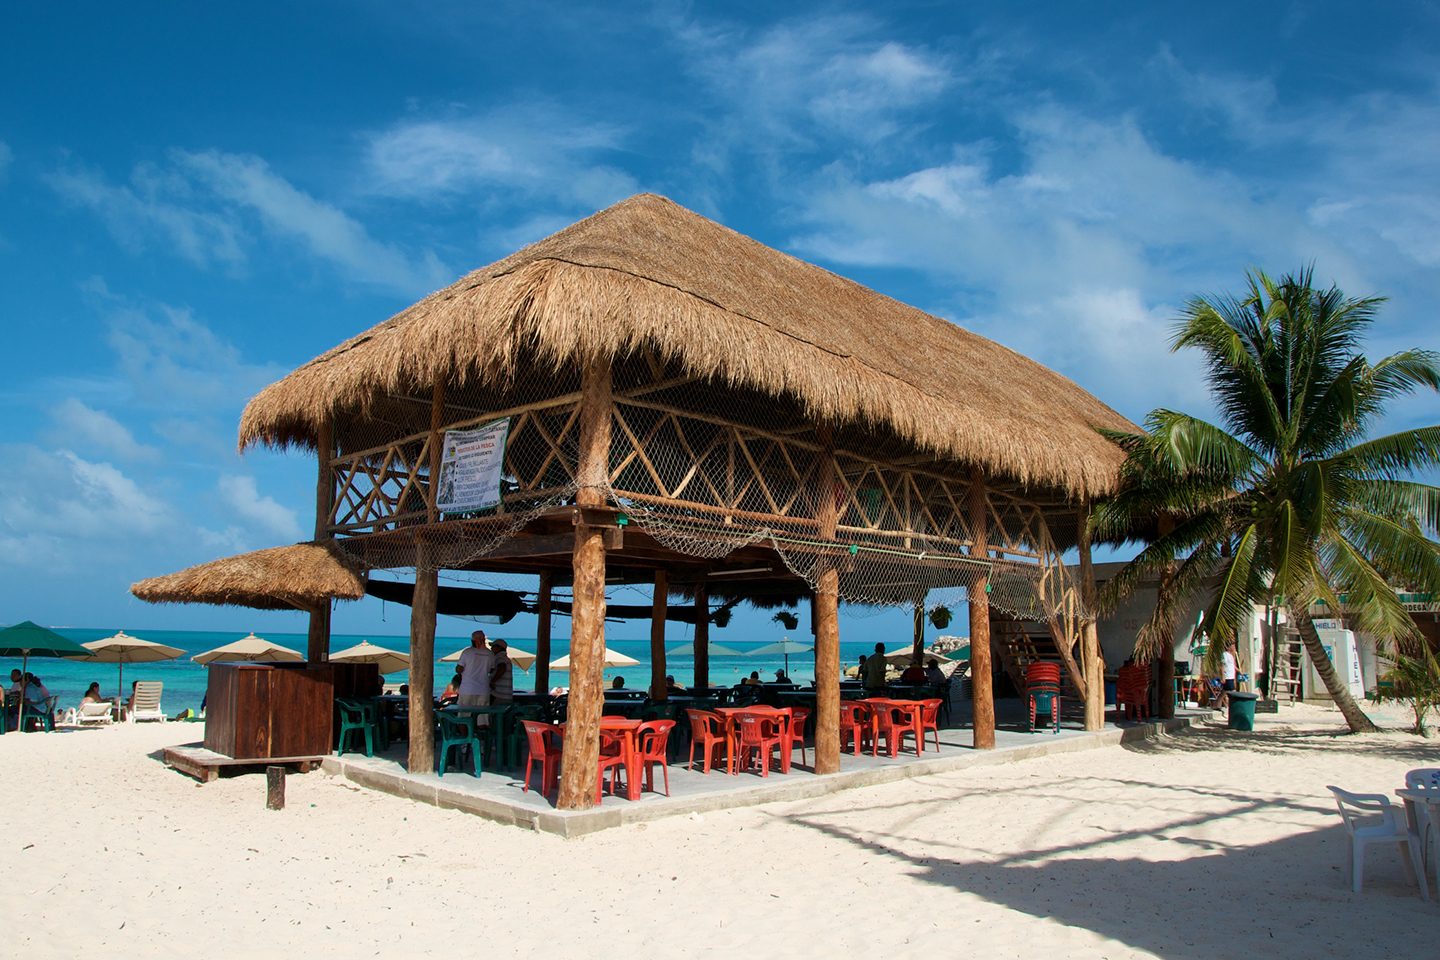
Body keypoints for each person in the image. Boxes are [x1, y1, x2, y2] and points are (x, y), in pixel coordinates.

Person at [456, 631, 494, 724]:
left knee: (463, 718)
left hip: (467, 690)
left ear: (472, 641)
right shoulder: (490, 654)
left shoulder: (467, 652)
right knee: (483, 719)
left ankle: (465, 737)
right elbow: (491, 670)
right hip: (483, 690)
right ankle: (482, 738)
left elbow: (459, 669)